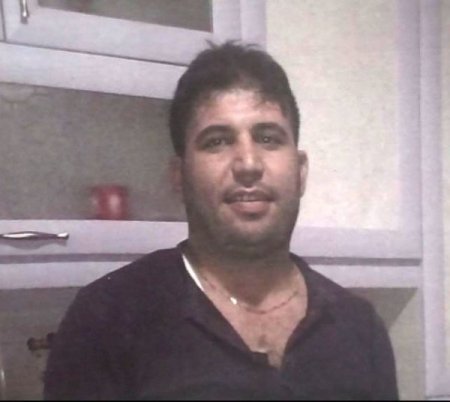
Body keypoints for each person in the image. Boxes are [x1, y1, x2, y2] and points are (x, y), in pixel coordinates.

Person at [44, 41, 399, 400]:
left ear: (300, 171)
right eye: (217, 141)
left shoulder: (360, 328)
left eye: (268, 138)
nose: (248, 164)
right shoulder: (106, 321)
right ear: (179, 177)